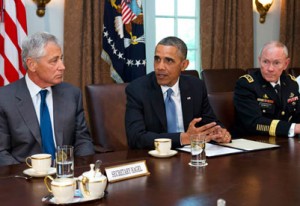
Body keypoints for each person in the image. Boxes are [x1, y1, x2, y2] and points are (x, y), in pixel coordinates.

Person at [0, 32, 94, 166]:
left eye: (61, 59)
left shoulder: (71, 94)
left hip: (66, 176)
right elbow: (1, 153)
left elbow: (82, 141)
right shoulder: (4, 99)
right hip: (24, 178)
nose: (62, 66)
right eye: (54, 61)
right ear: (32, 65)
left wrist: (84, 171)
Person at [125, 36, 231, 150]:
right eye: (157, 59)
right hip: (155, 158)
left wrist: (220, 133)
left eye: (168, 60)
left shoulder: (196, 86)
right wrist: (183, 138)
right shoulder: (138, 89)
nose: (160, 67)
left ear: (184, 65)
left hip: (191, 156)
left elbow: (211, 122)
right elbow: (135, 137)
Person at [234, 41, 300, 137]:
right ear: (259, 60)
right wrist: (294, 128)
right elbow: (253, 122)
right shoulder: (246, 85)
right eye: (265, 62)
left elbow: (297, 114)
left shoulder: (291, 83)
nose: (270, 68)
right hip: (254, 142)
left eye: (276, 63)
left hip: (284, 141)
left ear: (286, 64)